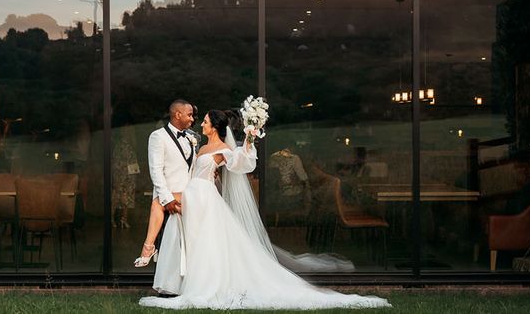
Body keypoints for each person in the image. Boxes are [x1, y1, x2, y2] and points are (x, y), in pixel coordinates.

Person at [139, 109, 390, 310]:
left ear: (214, 126)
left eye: (204, 121)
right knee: (188, 239)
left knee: (206, 243)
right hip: (194, 195)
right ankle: (177, 278)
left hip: (204, 198)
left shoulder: (224, 150)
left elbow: (242, 164)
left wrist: (249, 140)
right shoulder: (200, 147)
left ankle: (199, 282)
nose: (200, 124)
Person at [134, 99, 196, 295]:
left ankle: (186, 285)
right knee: (169, 245)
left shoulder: (191, 138)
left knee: (187, 244)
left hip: (188, 196)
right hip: (169, 197)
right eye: (189, 115)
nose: (192, 119)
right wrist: (166, 198)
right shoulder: (158, 137)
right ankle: (167, 286)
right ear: (177, 114)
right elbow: (156, 170)